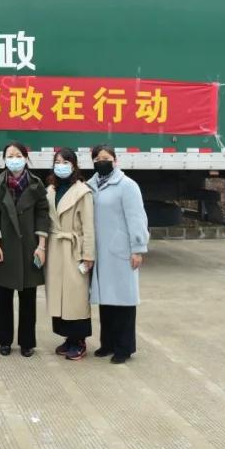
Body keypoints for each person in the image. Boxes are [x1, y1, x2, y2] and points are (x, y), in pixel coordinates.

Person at [0, 141, 49, 357]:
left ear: (26, 158)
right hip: (4, 247)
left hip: (30, 247)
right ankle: (4, 341)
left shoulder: (37, 184)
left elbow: (43, 214)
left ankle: (27, 343)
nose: (14, 160)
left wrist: (41, 246)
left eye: (18, 155)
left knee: (28, 298)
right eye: (10, 156)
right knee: (2, 297)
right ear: (4, 159)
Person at [87, 144, 149, 364]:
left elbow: (137, 218)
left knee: (124, 300)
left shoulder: (127, 185)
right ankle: (108, 344)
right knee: (106, 300)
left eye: (106, 158)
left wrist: (138, 248)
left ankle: (124, 347)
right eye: (97, 159)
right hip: (101, 252)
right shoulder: (91, 186)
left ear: (115, 160)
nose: (101, 162)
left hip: (121, 251)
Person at [44, 148, 95, 361]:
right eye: (57, 162)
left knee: (76, 297)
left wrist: (88, 255)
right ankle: (68, 338)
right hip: (55, 247)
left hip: (74, 248)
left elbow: (88, 226)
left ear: (74, 165)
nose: (61, 166)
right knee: (59, 295)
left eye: (65, 162)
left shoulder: (82, 191)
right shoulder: (50, 190)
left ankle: (79, 340)